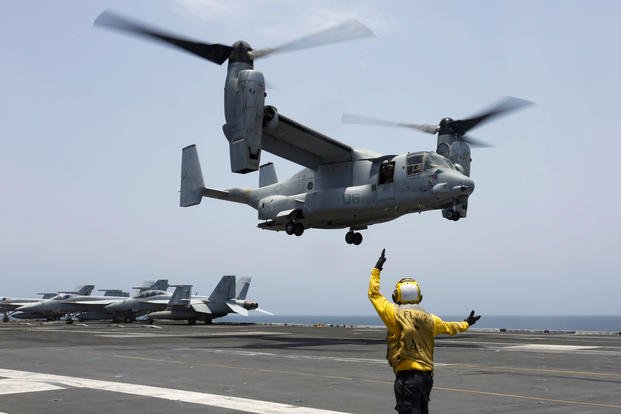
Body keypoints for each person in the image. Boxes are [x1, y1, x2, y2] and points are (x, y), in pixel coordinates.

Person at [368, 249, 481, 414]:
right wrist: (466, 323)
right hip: (426, 379)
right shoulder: (430, 319)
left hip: (407, 379)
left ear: (395, 296)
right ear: (419, 297)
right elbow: (450, 327)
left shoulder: (394, 315)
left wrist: (377, 270)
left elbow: (374, 294)